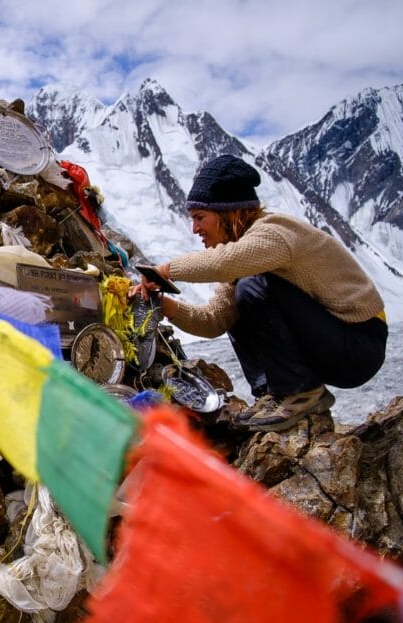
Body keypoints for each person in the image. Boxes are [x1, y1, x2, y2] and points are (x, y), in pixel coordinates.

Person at [139, 154, 388, 432]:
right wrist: (163, 305)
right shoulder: (245, 259)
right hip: (335, 342)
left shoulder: (274, 233)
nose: (195, 229)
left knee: (251, 288)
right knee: (241, 297)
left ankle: (298, 392)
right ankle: (272, 394)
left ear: (229, 212)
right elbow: (214, 320)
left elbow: (224, 262)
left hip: (359, 343)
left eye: (200, 217)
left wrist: (166, 271)